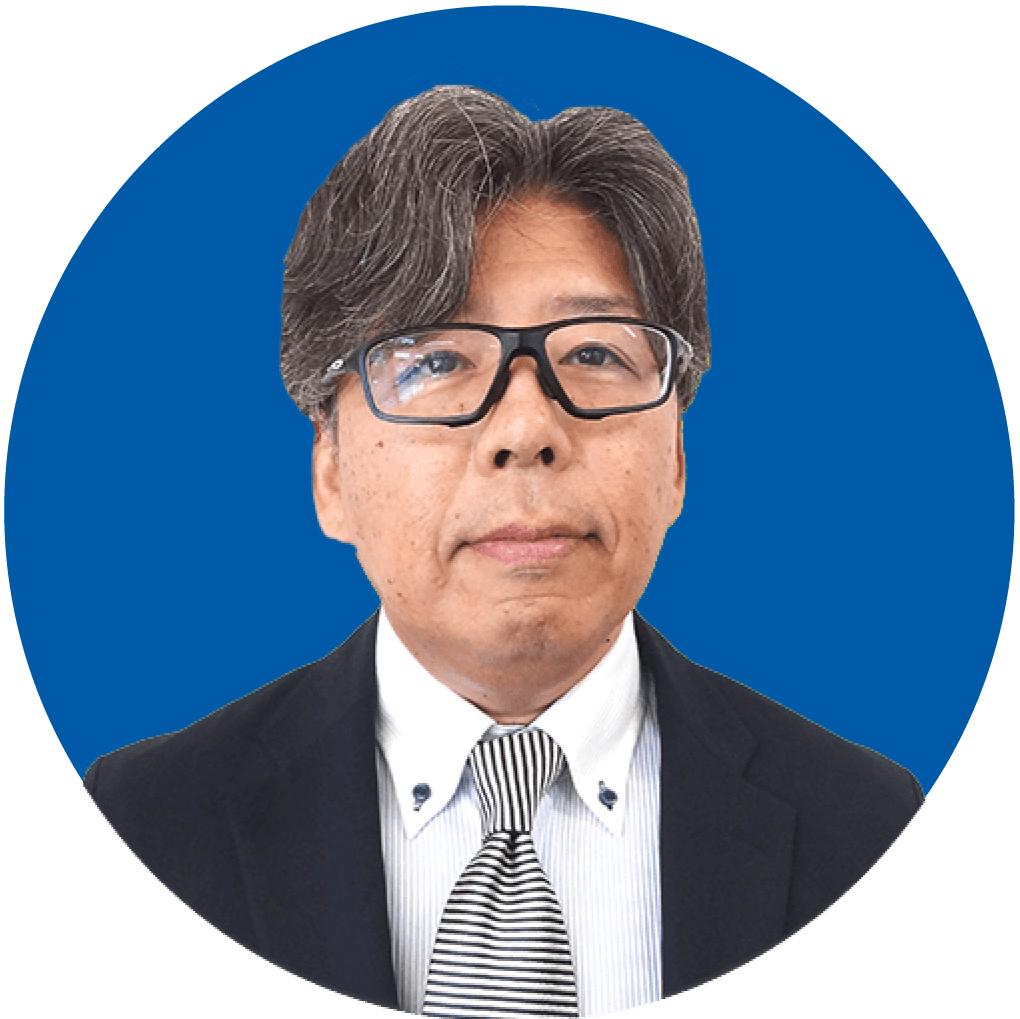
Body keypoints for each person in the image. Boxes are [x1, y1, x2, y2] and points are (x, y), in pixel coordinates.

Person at [83, 85, 923, 1015]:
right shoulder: (146, 824)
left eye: (595, 354)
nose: (526, 428)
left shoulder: (868, 826)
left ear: (678, 456)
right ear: (330, 472)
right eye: (437, 359)